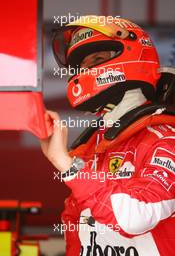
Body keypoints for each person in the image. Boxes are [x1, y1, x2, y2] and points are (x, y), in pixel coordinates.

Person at [40, 16, 175, 256]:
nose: (85, 71)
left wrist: (67, 165)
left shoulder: (166, 140)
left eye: (98, 59)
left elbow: (135, 217)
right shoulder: (91, 146)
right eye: (82, 66)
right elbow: (77, 229)